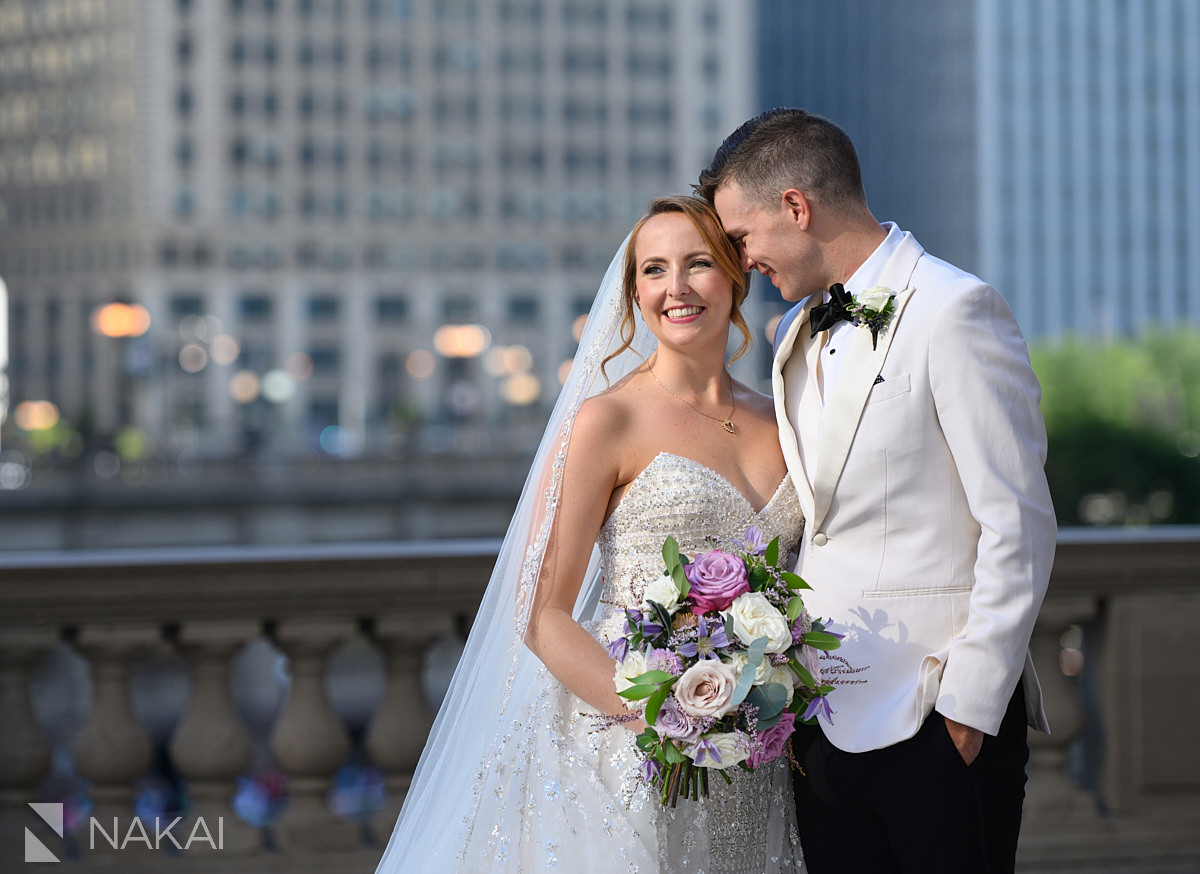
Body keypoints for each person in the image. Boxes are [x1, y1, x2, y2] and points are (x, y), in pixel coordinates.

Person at [374, 195, 805, 873]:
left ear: (736, 277)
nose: (677, 288)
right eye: (654, 271)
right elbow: (542, 611)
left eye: (698, 264)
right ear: (635, 293)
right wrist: (661, 716)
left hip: (752, 757)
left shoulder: (783, 422)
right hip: (627, 754)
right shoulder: (608, 421)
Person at [697, 107, 1057, 873]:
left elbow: (1019, 524)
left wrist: (967, 712)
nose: (741, 259)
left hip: (935, 720)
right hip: (820, 728)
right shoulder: (793, 334)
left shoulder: (956, 310)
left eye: (742, 236)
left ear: (796, 206)